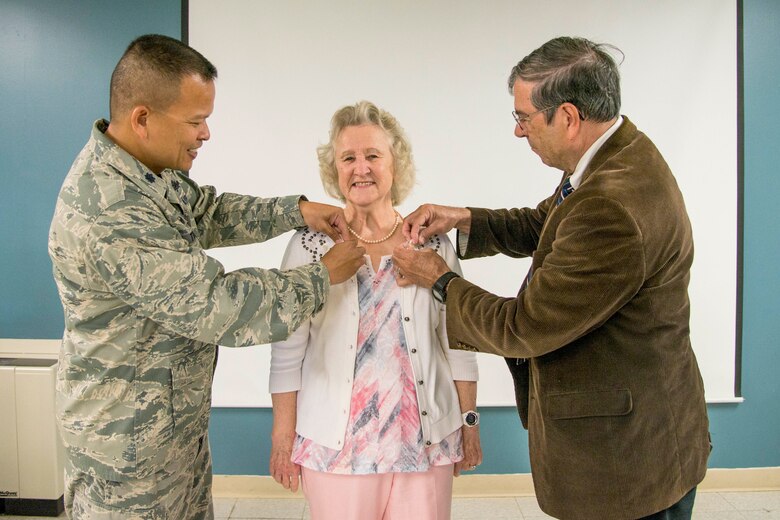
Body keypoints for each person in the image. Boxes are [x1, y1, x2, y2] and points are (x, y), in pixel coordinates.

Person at [48, 34, 365, 519]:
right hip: (127, 455)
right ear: (143, 118)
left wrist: (293, 210)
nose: (205, 135)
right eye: (195, 122)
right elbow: (216, 306)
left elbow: (208, 212)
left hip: (172, 434)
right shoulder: (109, 209)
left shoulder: (150, 171)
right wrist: (322, 276)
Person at [392, 37, 710, 520]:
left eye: (524, 118)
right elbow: (550, 224)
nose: (519, 132)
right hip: (652, 423)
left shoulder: (612, 205)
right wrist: (463, 220)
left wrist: (439, 281)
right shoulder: (617, 154)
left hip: (626, 463)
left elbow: (523, 328)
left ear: (567, 116)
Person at [268, 101, 481, 520]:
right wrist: (282, 434)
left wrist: (470, 424)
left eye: (372, 156)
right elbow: (287, 351)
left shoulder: (431, 244)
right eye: (348, 157)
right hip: (337, 447)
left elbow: (460, 343)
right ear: (335, 169)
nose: (360, 168)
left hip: (425, 442)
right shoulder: (309, 247)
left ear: (395, 165)